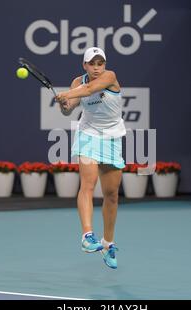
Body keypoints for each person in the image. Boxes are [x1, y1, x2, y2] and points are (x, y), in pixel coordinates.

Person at [55, 47, 126, 269]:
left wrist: (67, 93)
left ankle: (108, 243)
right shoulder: (78, 81)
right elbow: (69, 110)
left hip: (113, 136)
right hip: (88, 134)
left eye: (100, 63)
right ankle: (87, 236)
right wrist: (63, 103)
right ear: (84, 65)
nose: (97, 68)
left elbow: (89, 90)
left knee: (112, 194)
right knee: (88, 184)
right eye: (92, 64)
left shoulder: (109, 76)